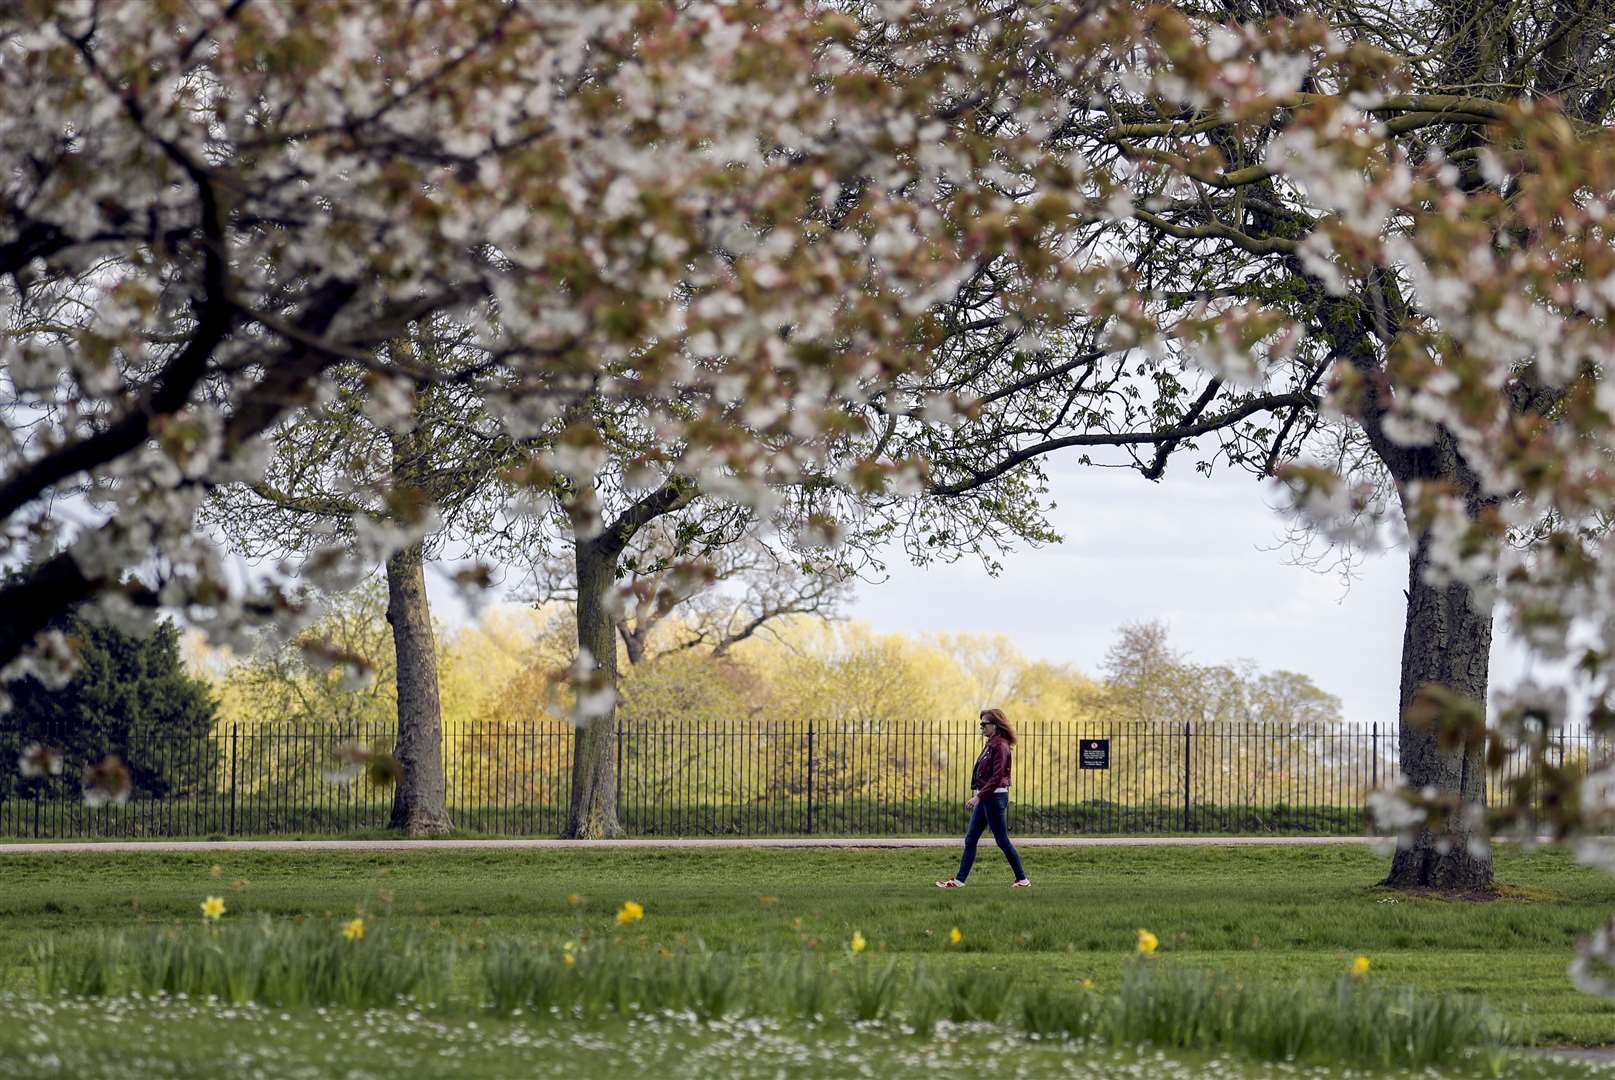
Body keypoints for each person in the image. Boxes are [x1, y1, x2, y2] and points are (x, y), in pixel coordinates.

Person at [935, 708, 1030, 889]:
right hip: (987, 797)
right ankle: (959, 881)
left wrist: (978, 797)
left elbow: (996, 777)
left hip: (994, 798)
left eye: (984, 724)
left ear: (996, 725)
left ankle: (1022, 880)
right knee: (971, 839)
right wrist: (980, 794)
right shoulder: (991, 744)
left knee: (1002, 840)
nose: (982, 728)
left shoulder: (1000, 745)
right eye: (981, 725)